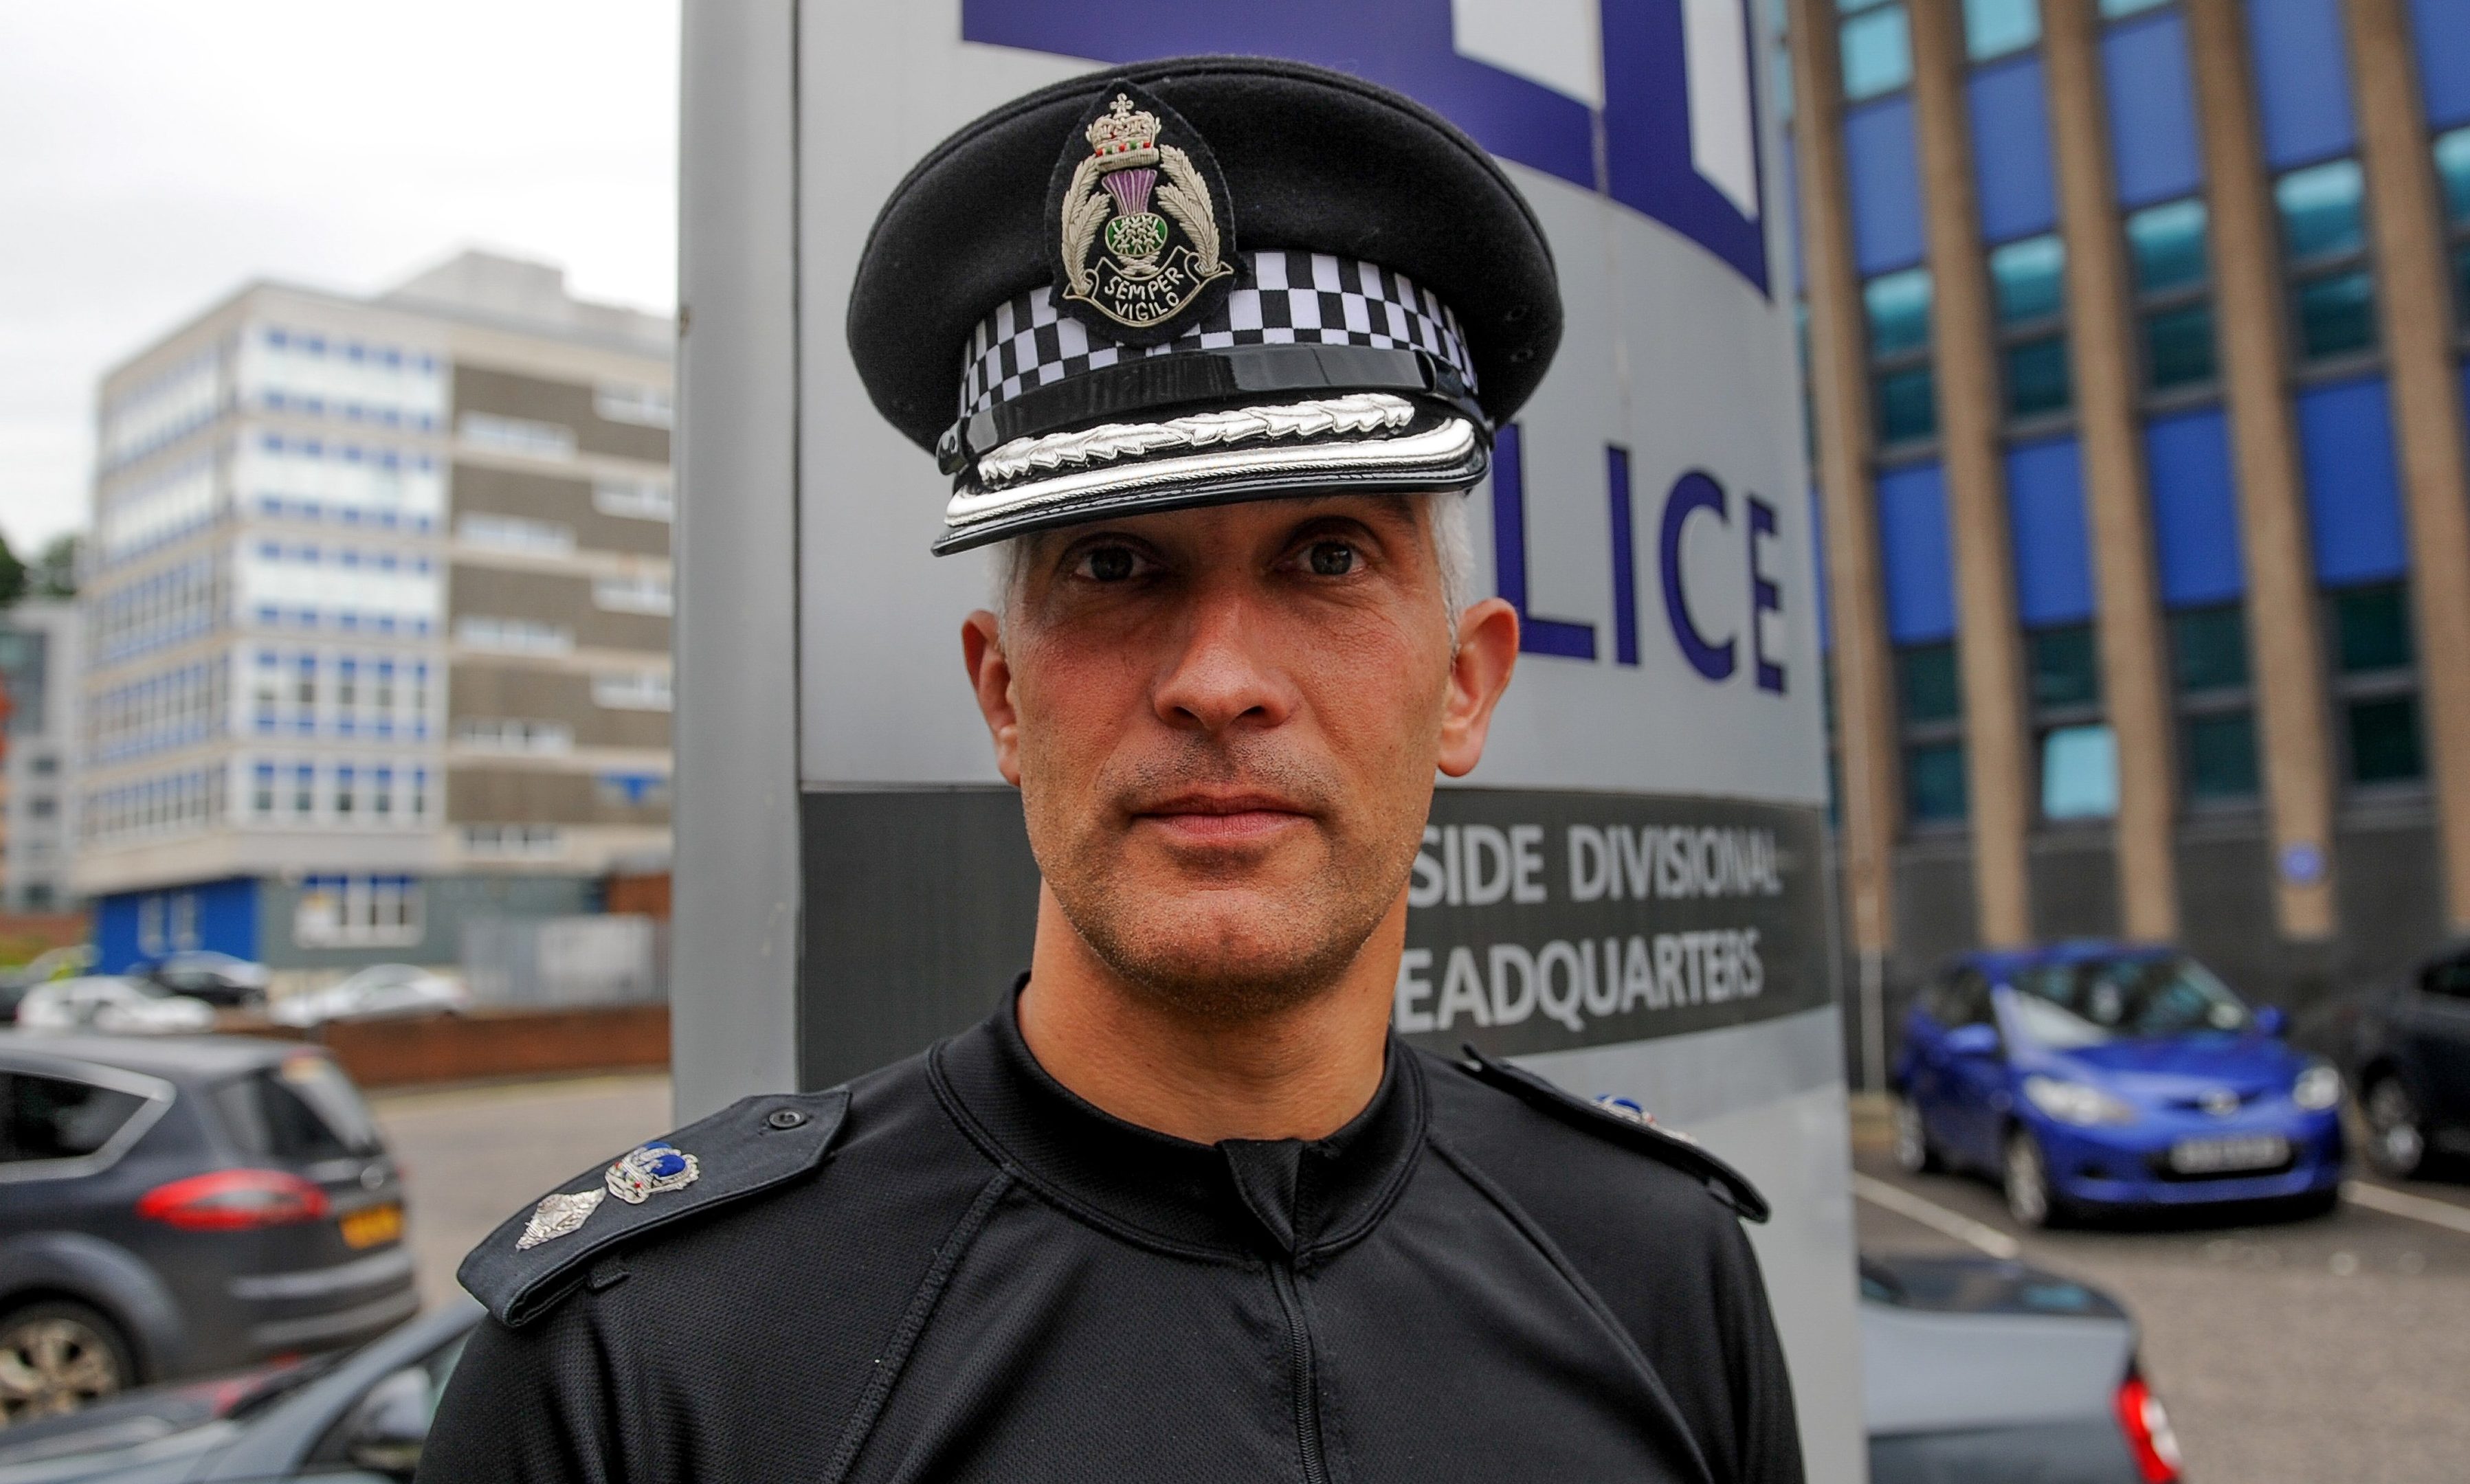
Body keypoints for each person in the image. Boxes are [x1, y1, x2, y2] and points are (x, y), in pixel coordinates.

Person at [422, 56, 1803, 1484]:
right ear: (1002, 694)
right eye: (1115, 565)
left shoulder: (1657, 1266)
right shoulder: (651, 1366)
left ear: (1466, 686)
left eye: (1328, 556)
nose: (1217, 680)